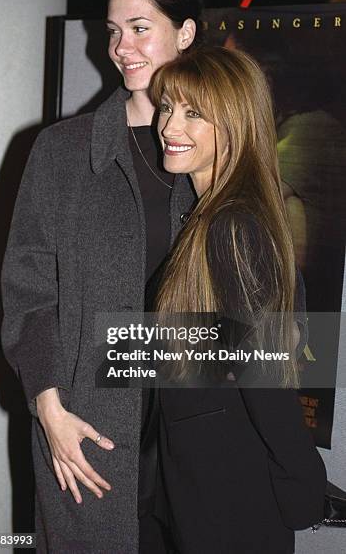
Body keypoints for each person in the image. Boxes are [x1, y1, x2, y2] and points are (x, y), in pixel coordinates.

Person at [1, 0, 203, 553]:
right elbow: (28, 291)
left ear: (185, 33)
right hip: (90, 420)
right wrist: (47, 405)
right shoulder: (61, 151)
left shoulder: (224, 144)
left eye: (140, 28)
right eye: (113, 31)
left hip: (198, 416)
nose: (121, 48)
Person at [148, 46, 327, 554]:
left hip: (231, 489)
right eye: (167, 108)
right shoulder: (208, 214)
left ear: (234, 122)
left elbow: (264, 374)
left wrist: (302, 481)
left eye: (193, 113)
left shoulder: (232, 223)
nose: (169, 126)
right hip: (207, 477)